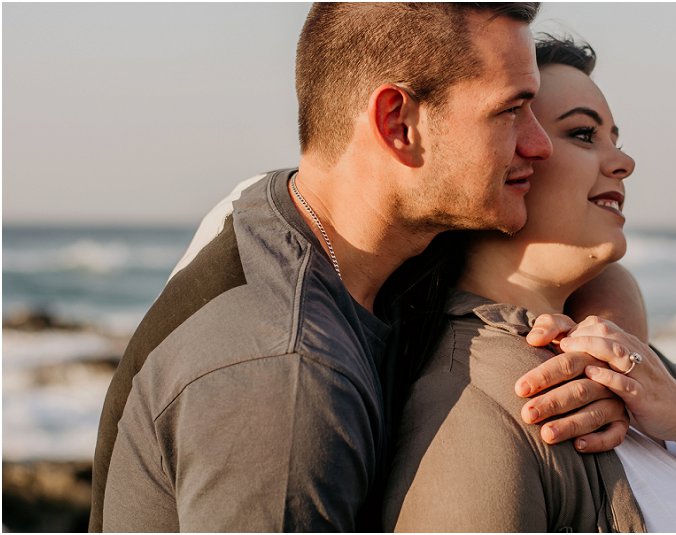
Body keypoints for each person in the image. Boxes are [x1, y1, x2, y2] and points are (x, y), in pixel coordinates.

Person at [89, 4, 641, 531]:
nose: (538, 145)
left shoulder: (283, 214)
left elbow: (586, 266)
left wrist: (607, 356)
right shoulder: (288, 387)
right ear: (398, 123)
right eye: (510, 111)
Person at [382, 37, 676, 532]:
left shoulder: (628, 360)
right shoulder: (480, 401)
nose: (624, 163)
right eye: (583, 133)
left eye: (614, 139)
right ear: (503, 159)